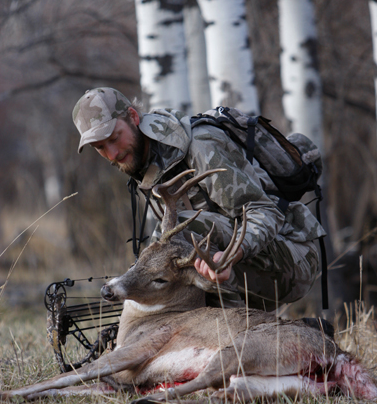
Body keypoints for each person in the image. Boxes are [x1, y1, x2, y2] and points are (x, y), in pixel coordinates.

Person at [72, 87, 326, 311]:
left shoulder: (200, 146)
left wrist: (231, 255)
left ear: (134, 118)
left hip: (293, 258)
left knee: (187, 230)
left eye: (115, 138)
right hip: (239, 265)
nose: (113, 153)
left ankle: (237, 335)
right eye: (101, 148)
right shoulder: (143, 162)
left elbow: (264, 211)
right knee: (170, 251)